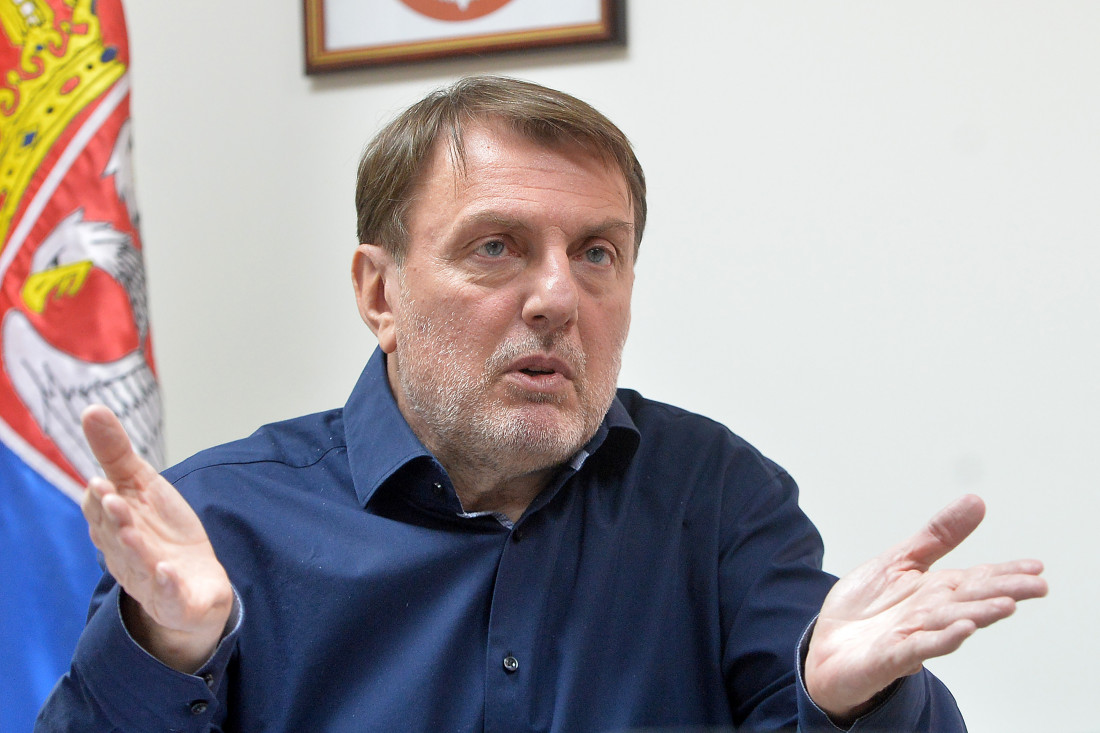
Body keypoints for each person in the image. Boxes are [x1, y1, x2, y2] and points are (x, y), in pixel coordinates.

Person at [36, 76, 1046, 732]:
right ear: (379, 293)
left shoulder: (715, 497)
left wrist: (850, 702)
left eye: (597, 252)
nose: (558, 297)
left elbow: (818, 702)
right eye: (497, 247)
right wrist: (167, 651)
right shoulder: (223, 520)